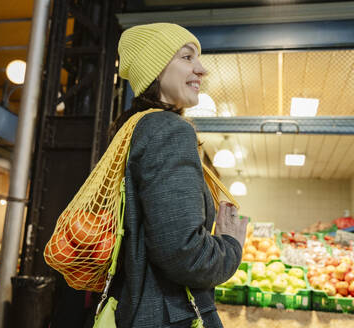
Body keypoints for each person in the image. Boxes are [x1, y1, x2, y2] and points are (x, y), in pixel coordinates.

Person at [109, 22, 248, 328]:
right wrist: (230, 245)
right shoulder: (168, 130)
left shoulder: (131, 129)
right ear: (156, 69)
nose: (202, 70)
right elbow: (184, 254)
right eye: (187, 58)